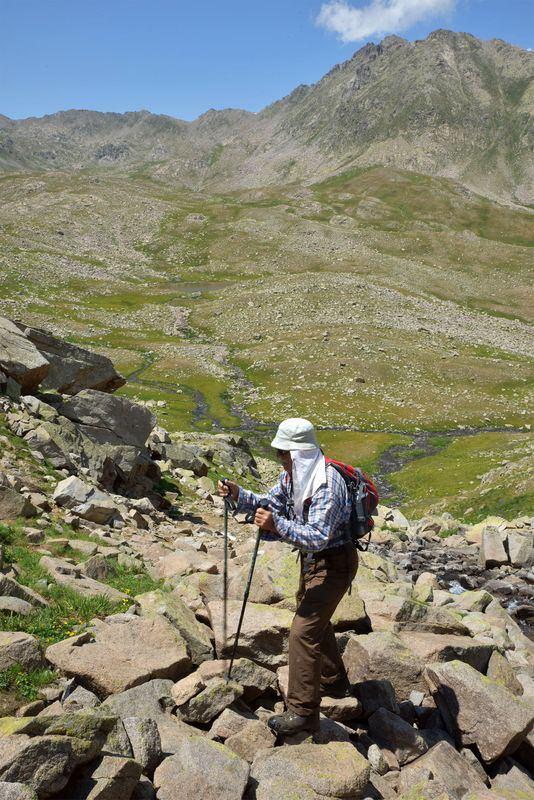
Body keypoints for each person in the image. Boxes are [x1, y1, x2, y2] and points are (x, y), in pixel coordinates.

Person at [217, 417, 358, 735]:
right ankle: (335, 682)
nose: (280, 458)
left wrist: (276, 525)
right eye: (279, 452)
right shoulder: (294, 477)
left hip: (334, 564)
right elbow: (269, 504)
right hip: (314, 564)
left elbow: (318, 536)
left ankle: (303, 713)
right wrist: (239, 495)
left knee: (302, 633)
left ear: (301, 453)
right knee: (314, 623)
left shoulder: (327, 484)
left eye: (284, 453)